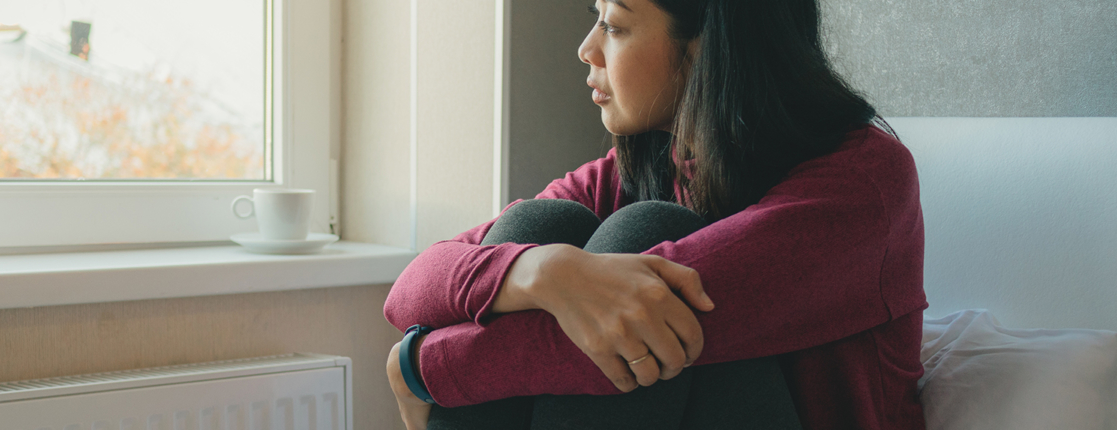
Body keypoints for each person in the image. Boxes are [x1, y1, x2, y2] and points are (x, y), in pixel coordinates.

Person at [383, 0, 928, 428]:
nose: (586, 48)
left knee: (644, 243)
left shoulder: (862, 184)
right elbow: (411, 290)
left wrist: (422, 364)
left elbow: (637, 330)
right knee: (537, 235)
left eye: (615, 26)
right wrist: (542, 273)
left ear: (705, 46)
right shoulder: (635, 168)